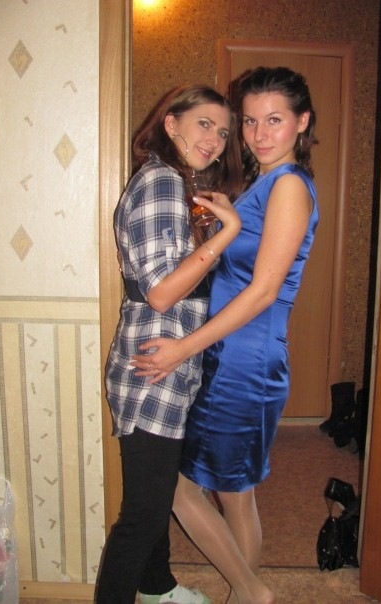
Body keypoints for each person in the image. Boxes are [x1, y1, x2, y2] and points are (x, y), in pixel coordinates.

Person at [132, 66, 319, 604]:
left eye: (275, 120)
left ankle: (251, 593)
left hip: (245, 361)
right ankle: (250, 592)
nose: (259, 134)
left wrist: (182, 350)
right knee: (221, 487)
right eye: (251, 121)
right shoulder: (260, 182)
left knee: (217, 490)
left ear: (302, 122)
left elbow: (263, 292)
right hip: (225, 353)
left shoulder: (288, 186)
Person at [95, 84, 244, 604]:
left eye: (223, 132)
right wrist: (228, 231)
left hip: (165, 362)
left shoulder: (175, 184)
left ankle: (157, 589)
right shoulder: (160, 181)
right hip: (152, 365)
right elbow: (161, 292)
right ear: (171, 123)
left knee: (154, 499)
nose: (215, 140)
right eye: (204, 124)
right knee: (143, 513)